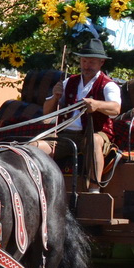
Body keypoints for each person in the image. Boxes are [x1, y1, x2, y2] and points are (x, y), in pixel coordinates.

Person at [38, 33, 121, 190]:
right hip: (65, 135)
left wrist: (97, 105)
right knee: (35, 146)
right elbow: (47, 112)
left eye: (91, 62)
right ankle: (38, 188)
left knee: (95, 141)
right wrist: (55, 97)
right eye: (84, 61)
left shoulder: (108, 85)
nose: (86, 65)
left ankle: (94, 190)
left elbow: (115, 109)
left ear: (101, 62)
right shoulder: (70, 81)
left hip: (96, 132)